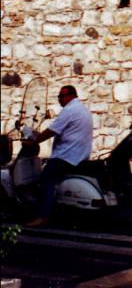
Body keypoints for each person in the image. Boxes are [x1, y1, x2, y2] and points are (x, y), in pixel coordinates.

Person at [24, 85, 93, 227]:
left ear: (72, 95)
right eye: (59, 97)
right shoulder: (82, 109)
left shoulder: (69, 110)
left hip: (67, 155)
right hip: (80, 154)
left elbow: (51, 131)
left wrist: (34, 141)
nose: (60, 99)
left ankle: (43, 216)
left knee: (45, 178)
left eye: (62, 96)